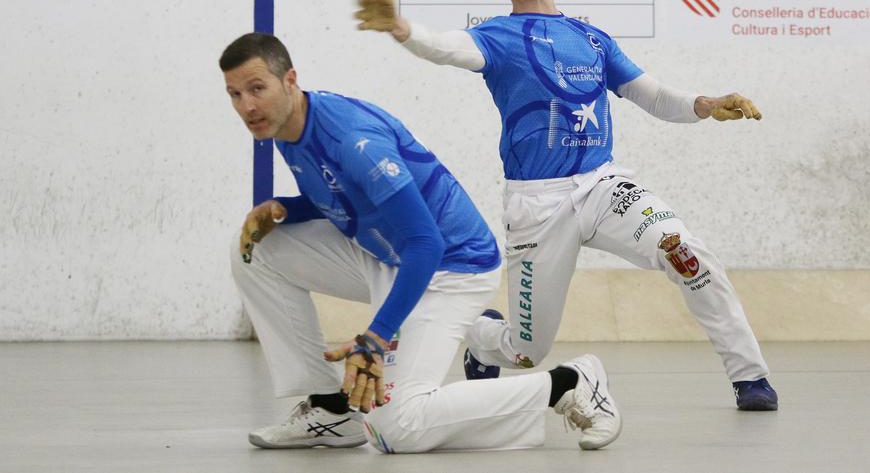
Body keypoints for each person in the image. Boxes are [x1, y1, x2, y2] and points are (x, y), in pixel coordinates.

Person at [354, 0, 778, 411]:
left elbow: (655, 97)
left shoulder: (592, 38)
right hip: (537, 205)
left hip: (604, 186)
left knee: (687, 253)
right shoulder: (495, 36)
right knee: (526, 351)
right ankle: (483, 336)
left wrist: (706, 104)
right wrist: (402, 29)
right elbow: (446, 48)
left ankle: (750, 378)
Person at [219, 32, 622, 453]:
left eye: (257, 89)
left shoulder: (353, 140)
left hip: (449, 266)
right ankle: (331, 409)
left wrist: (375, 338)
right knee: (255, 251)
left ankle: (566, 384)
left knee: (396, 427)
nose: (247, 107)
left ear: (290, 80)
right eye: (235, 94)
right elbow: (347, 196)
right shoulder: (289, 126)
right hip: (384, 252)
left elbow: (426, 243)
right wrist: (285, 210)